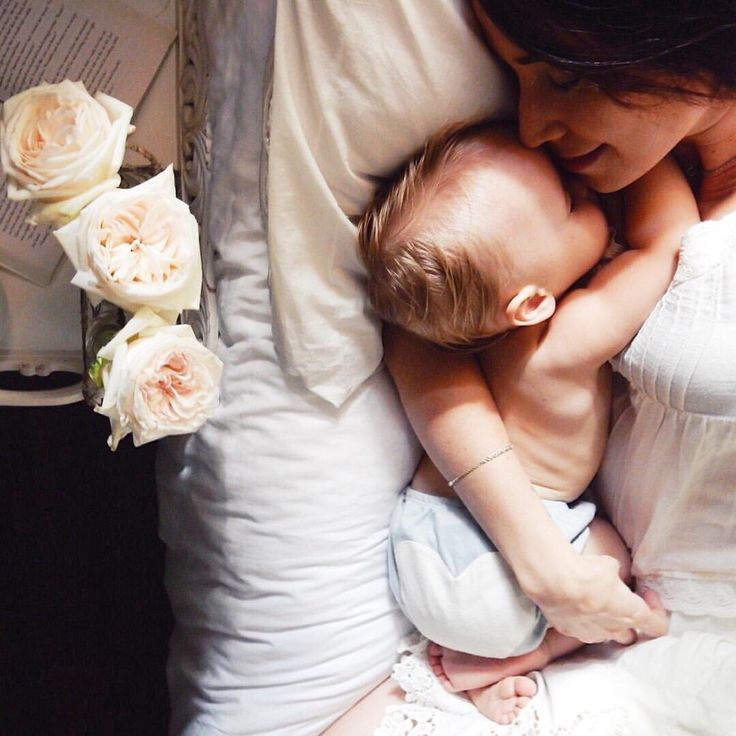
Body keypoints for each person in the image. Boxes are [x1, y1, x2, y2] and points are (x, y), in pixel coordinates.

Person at [324, 1, 736, 733]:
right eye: (519, 76)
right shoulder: (559, 273)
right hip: (545, 561)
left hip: (446, 544)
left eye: (567, 77)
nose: (532, 125)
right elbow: (417, 336)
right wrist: (540, 556)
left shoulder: (547, 271)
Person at [358, 120, 694, 723]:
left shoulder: (455, 334)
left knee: (512, 600)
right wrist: (641, 148)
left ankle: (475, 658)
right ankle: (519, 658)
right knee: (611, 556)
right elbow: (671, 241)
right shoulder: (564, 337)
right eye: (572, 201)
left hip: (420, 539)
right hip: (508, 564)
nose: (589, 192)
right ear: (532, 302)